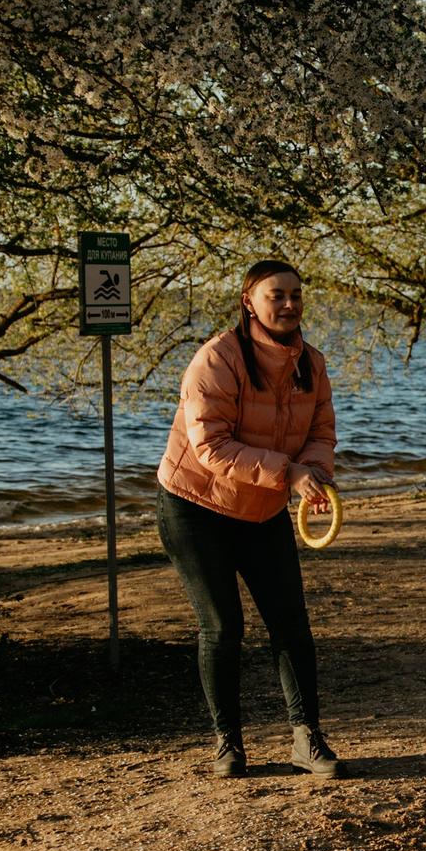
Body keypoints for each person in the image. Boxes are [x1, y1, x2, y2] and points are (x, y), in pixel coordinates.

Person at [155, 258, 347, 779]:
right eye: (276, 295)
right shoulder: (217, 358)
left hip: (262, 510)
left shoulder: (313, 363)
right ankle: (227, 745)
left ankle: (307, 740)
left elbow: (322, 433)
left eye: (296, 295)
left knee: (291, 625)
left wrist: (315, 475)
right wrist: (290, 475)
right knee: (223, 626)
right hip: (196, 507)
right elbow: (211, 446)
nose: (289, 304)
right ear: (249, 302)